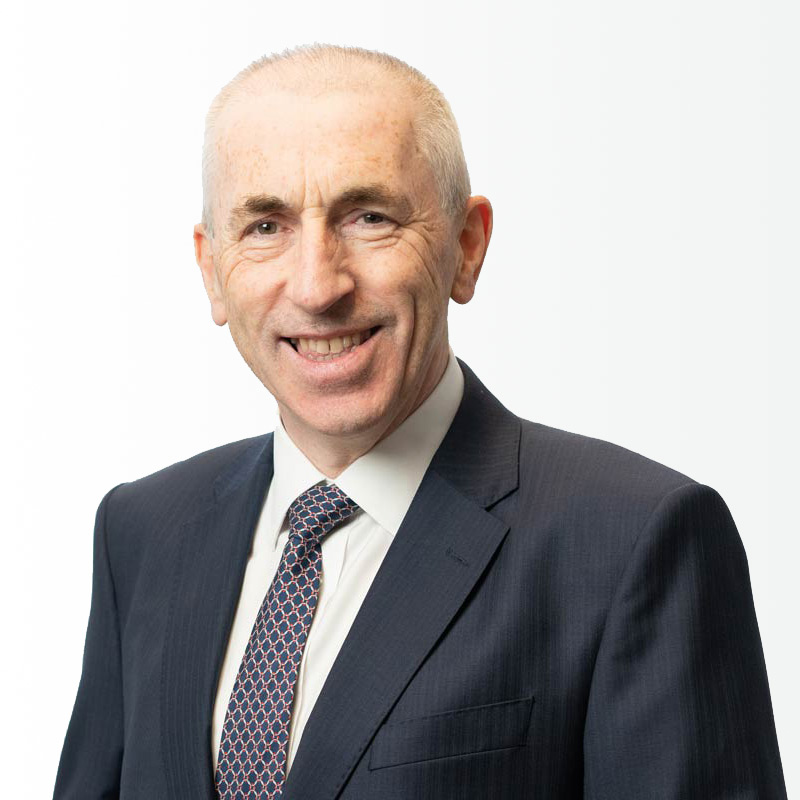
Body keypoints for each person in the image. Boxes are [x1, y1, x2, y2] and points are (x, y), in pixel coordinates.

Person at [53, 44, 787, 800]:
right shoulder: (141, 534)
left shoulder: (634, 542)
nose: (317, 287)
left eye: (369, 217)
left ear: (467, 247)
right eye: (266, 226)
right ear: (211, 268)